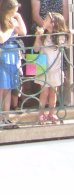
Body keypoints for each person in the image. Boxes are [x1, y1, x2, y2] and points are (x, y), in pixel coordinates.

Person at [32, 12, 69, 125]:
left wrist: (71, 35)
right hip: (43, 67)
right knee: (44, 93)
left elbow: (68, 46)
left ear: (53, 23)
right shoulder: (43, 35)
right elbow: (36, 49)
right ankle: (41, 114)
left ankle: (51, 113)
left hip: (55, 69)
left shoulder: (60, 36)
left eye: (47, 19)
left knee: (53, 93)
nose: (44, 20)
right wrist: (38, 37)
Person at [0, 0, 24, 128]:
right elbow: (2, 38)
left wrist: (19, 18)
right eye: (14, 10)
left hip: (12, 55)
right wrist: (11, 28)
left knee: (8, 88)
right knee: (1, 88)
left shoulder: (13, 19)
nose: (15, 12)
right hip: (2, 54)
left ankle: (6, 118)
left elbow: (24, 32)